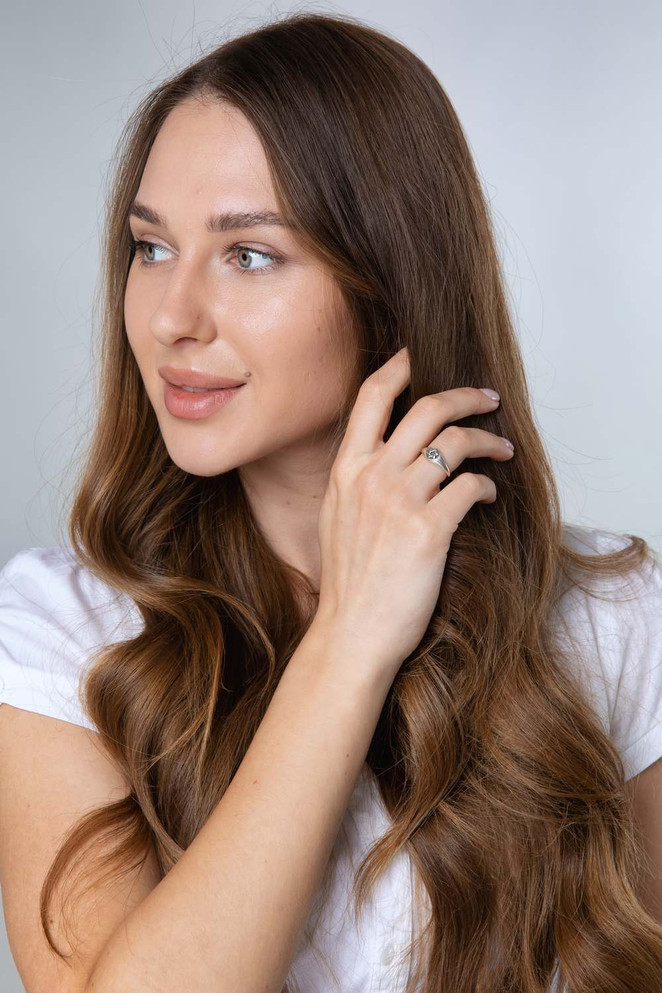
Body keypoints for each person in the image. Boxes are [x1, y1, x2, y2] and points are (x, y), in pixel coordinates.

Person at [1, 11, 661, 993]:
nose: (170, 317)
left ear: (388, 283)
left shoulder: (612, 620)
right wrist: (351, 638)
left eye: (248, 254)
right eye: (150, 248)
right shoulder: (63, 632)